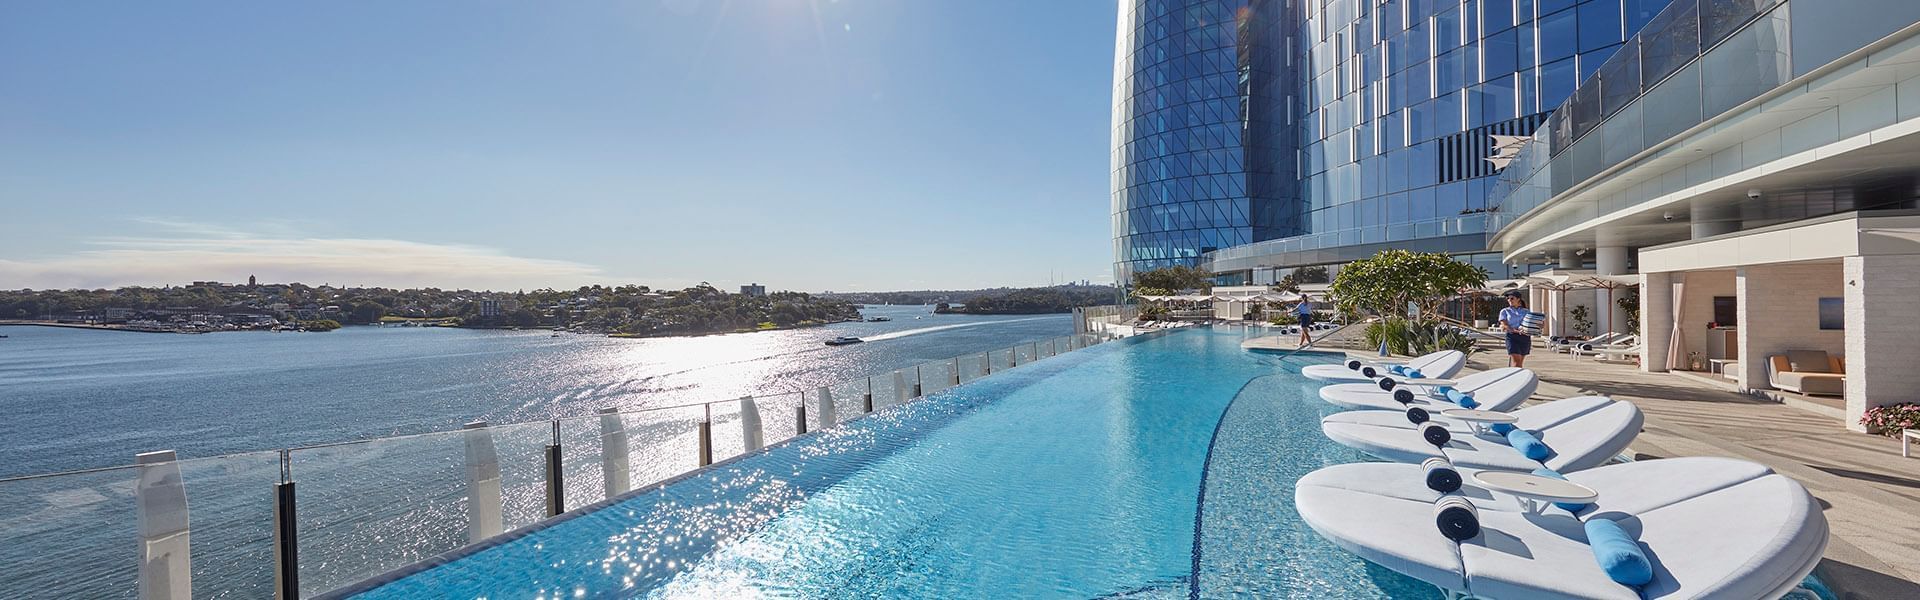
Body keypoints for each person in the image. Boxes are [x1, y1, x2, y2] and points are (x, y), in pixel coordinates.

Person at [1499, 290, 1532, 368]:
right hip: (1512, 337)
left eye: (1512, 298)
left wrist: (1539, 324)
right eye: (1508, 298)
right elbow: (1504, 324)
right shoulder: (1505, 311)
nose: (1509, 300)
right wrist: (1514, 330)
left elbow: (1531, 323)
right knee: (1516, 362)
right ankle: (1517, 378)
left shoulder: (1526, 311)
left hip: (1525, 337)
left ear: (1518, 299)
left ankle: (1515, 375)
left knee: (1520, 362)